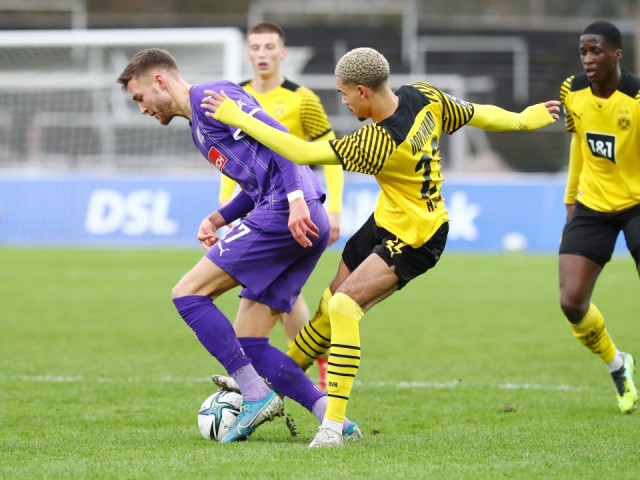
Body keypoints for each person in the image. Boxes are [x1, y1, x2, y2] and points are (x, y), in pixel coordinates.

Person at [201, 46, 560, 448]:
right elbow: (479, 113)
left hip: (418, 237)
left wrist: (238, 118)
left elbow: (301, 152)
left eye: (344, 94)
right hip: (385, 221)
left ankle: (333, 425)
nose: (343, 102)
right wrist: (523, 120)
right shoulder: (425, 96)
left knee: (344, 307)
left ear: (362, 91)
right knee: (328, 308)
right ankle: (268, 391)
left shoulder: (375, 141)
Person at [116, 48, 361, 444]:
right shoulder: (198, 128)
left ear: (159, 81)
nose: (142, 108)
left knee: (188, 294)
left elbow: (280, 138)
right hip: (297, 213)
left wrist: (294, 199)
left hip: (286, 210)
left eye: (139, 97)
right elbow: (256, 181)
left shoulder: (210, 97)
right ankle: (334, 421)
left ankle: (255, 394)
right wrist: (219, 218)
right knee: (251, 341)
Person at [219, 22, 342, 391]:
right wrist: (225, 205)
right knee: (284, 292)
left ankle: (268, 370)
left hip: (293, 206)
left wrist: (335, 209)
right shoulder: (235, 96)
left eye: (269, 47)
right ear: (248, 53)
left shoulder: (303, 99)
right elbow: (230, 158)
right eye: (256, 47)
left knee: (277, 288)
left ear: (282, 53)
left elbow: (331, 154)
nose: (262, 54)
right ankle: (306, 364)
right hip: (254, 205)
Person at [558, 20, 638, 414]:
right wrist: (570, 197)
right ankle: (618, 365)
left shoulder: (636, 98)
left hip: (637, 203)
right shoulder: (571, 91)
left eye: (597, 51)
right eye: (583, 52)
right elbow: (578, 141)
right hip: (592, 205)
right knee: (572, 302)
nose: (588, 59)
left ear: (617, 55)